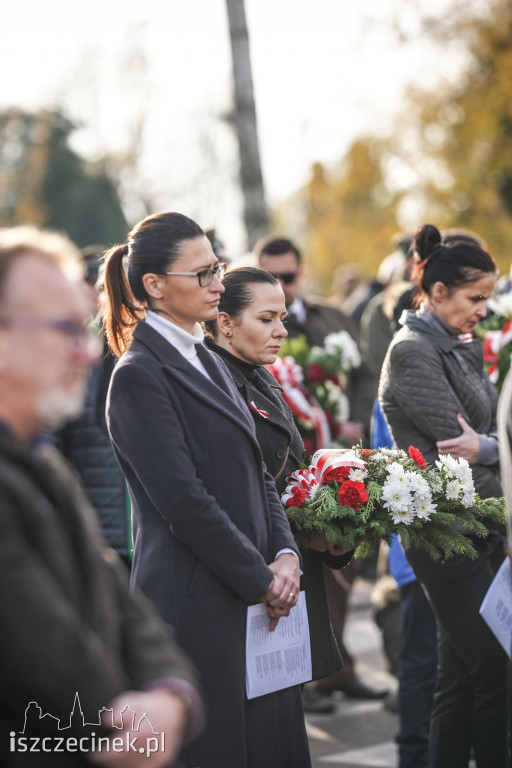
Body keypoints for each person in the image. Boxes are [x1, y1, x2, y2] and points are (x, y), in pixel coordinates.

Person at [103, 212, 310, 768]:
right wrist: (260, 578)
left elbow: (258, 470)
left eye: (217, 267)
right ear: (154, 285)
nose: (219, 283)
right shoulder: (139, 373)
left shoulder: (207, 358)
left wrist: (286, 554)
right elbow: (184, 504)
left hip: (259, 593)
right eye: (203, 274)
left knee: (275, 748)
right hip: (198, 605)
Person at [0, 226, 203, 768]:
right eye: (67, 329)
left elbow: (116, 595)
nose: (88, 355)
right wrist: (132, 716)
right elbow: (43, 644)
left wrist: (170, 688)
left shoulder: (42, 463)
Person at [379, 223, 508, 768]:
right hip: (446, 532)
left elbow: (481, 437)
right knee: (495, 671)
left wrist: (490, 446)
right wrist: (495, 447)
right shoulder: (412, 352)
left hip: (479, 522)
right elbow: (461, 445)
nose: (485, 309)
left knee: (458, 676)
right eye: (475, 297)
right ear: (437, 292)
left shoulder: (457, 342)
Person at [203, 266, 356, 714]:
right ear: (225, 322)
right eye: (266, 319)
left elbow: (296, 472)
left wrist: (334, 526)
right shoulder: (216, 382)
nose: (281, 331)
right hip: (258, 574)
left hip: (289, 566)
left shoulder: (260, 375)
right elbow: (234, 489)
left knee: (284, 726)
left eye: (283, 318)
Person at [254, 234, 388, 703]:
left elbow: (367, 373)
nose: (281, 286)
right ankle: (305, 676)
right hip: (286, 466)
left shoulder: (332, 317)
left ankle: (336, 670)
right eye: (269, 277)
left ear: (302, 274)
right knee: (299, 569)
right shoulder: (248, 330)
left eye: (287, 278)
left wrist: (351, 416)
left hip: (336, 454)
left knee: (342, 566)